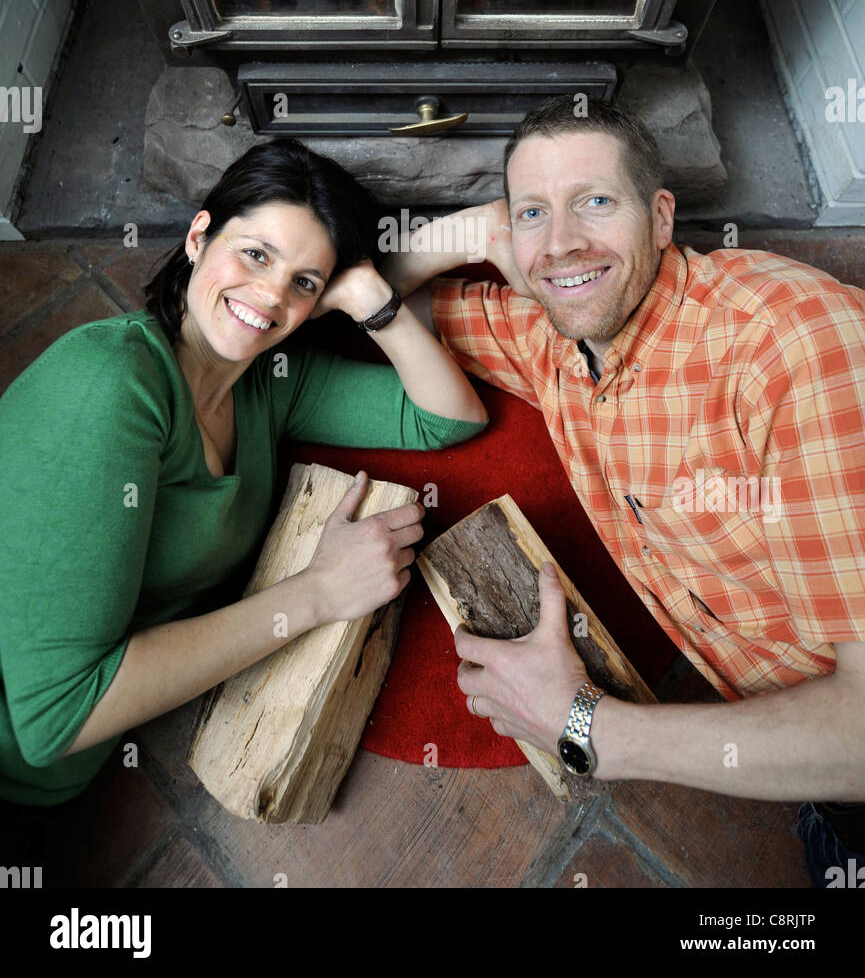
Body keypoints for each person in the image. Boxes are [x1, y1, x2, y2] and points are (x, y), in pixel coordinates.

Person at [385, 94, 865, 888]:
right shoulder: (554, 333)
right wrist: (468, 231)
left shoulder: (794, 349)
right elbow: (386, 298)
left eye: (595, 203)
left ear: (662, 216)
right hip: (819, 789)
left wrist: (581, 725)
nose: (562, 244)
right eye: (532, 213)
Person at [0, 138, 488, 810]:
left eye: (304, 282)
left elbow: (449, 419)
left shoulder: (267, 379)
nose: (268, 295)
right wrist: (319, 591)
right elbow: (54, 721)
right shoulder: (109, 386)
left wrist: (374, 299)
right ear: (199, 235)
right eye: (255, 254)